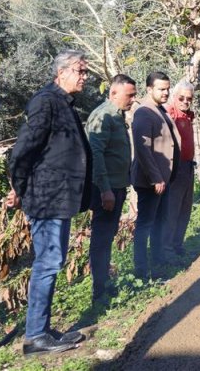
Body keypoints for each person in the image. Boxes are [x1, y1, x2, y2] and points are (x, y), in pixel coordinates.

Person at [7, 50, 92, 355]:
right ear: (62, 72)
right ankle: (35, 336)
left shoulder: (61, 102)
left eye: (85, 72)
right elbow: (23, 150)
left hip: (57, 196)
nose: (85, 77)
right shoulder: (46, 101)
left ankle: (40, 330)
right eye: (81, 71)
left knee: (51, 263)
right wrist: (19, 187)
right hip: (47, 197)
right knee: (48, 263)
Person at [86, 74, 137, 303]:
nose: (133, 100)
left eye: (134, 95)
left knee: (107, 237)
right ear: (113, 93)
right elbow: (95, 154)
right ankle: (99, 292)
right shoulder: (103, 116)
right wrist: (105, 190)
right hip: (106, 189)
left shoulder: (117, 116)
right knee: (101, 239)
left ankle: (104, 285)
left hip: (117, 186)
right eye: (130, 95)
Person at [130, 71, 180, 280]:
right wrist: (155, 178)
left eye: (168, 88)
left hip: (163, 179)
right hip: (152, 181)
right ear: (149, 89)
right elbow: (143, 149)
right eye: (161, 89)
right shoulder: (143, 112)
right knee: (145, 226)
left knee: (159, 223)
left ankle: (158, 263)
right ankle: (142, 271)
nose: (166, 92)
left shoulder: (160, 110)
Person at [163, 81, 196, 258]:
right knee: (172, 210)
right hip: (174, 169)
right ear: (174, 97)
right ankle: (167, 250)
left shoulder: (189, 115)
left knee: (185, 209)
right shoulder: (170, 114)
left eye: (188, 98)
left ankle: (177, 246)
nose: (185, 101)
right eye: (181, 98)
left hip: (188, 167)